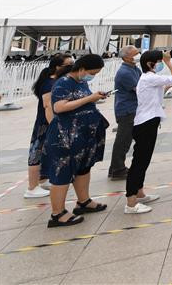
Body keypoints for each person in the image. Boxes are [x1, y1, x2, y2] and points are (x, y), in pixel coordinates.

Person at [42, 54, 110, 227]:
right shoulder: (63, 82)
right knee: (63, 172)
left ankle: (83, 201)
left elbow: (80, 101)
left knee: (83, 168)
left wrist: (95, 97)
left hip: (83, 136)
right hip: (65, 137)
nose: (92, 76)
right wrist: (90, 98)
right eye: (92, 73)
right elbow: (59, 107)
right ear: (81, 69)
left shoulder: (81, 82)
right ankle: (57, 214)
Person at [124, 50, 172, 214]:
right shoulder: (149, 77)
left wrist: (167, 85)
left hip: (148, 122)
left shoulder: (149, 79)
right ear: (150, 64)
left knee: (144, 161)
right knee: (139, 162)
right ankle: (131, 203)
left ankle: (139, 193)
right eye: (159, 61)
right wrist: (168, 62)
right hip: (145, 124)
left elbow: (162, 89)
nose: (161, 63)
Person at [25, 53, 72, 198]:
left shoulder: (55, 81)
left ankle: (42, 180)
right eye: (68, 65)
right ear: (57, 67)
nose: (72, 67)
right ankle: (32, 187)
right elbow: (48, 106)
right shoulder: (49, 83)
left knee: (46, 152)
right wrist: (54, 126)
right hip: (45, 123)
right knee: (37, 153)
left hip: (50, 122)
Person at [108, 45, 141, 180]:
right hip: (126, 110)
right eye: (136, 54)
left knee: (125, 139)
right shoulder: (125, 72)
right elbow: (139, 89)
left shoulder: (134, 68)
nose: (138, 55)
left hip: (132, 108)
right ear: (127, 57)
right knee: (123, 140)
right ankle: (117, 169)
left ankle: (114, 168)